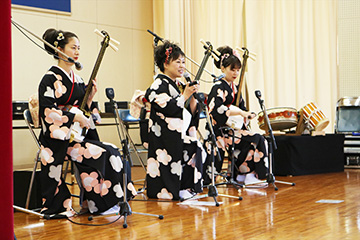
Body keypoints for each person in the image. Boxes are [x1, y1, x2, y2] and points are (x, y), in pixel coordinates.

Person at [38, 28, 137, 217]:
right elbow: (48, 113)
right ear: (59, 50)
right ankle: (100, 204)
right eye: (73, 47)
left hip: (76, 136)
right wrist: (74, 117)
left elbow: (85, 112)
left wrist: (90, 99)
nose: (77, 52)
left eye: (79, 48)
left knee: (114, 151)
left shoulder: (79, 79)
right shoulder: (49, 79)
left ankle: (107, 202)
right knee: (101, 153)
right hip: (58, 141)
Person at [144, 41, 206, 200]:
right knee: (192, 147)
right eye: (177, 61)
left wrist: (191, 99)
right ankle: (179, 188)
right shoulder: (158, 84)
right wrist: (184, 96)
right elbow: (167, 107)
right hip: (164, 138)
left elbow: (187, 112)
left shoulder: (177, 85)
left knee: (198, 146)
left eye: (183, 62)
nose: (182, 66)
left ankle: (186, 186)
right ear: (165, 63)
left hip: (175, 134)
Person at [202, 46, 268, 186]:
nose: (236, 73)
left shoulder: (236, 88)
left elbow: (242, 107)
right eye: (232, 69)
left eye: (238, 70)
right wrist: (240, 112)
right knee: (255, 139)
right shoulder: (217, 87)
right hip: (220, 131)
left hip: (233, 129)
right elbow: (217, 110)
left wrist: (247, 115)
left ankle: (244, 174)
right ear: (223, 69)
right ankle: (247, 174)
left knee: (258, 139)